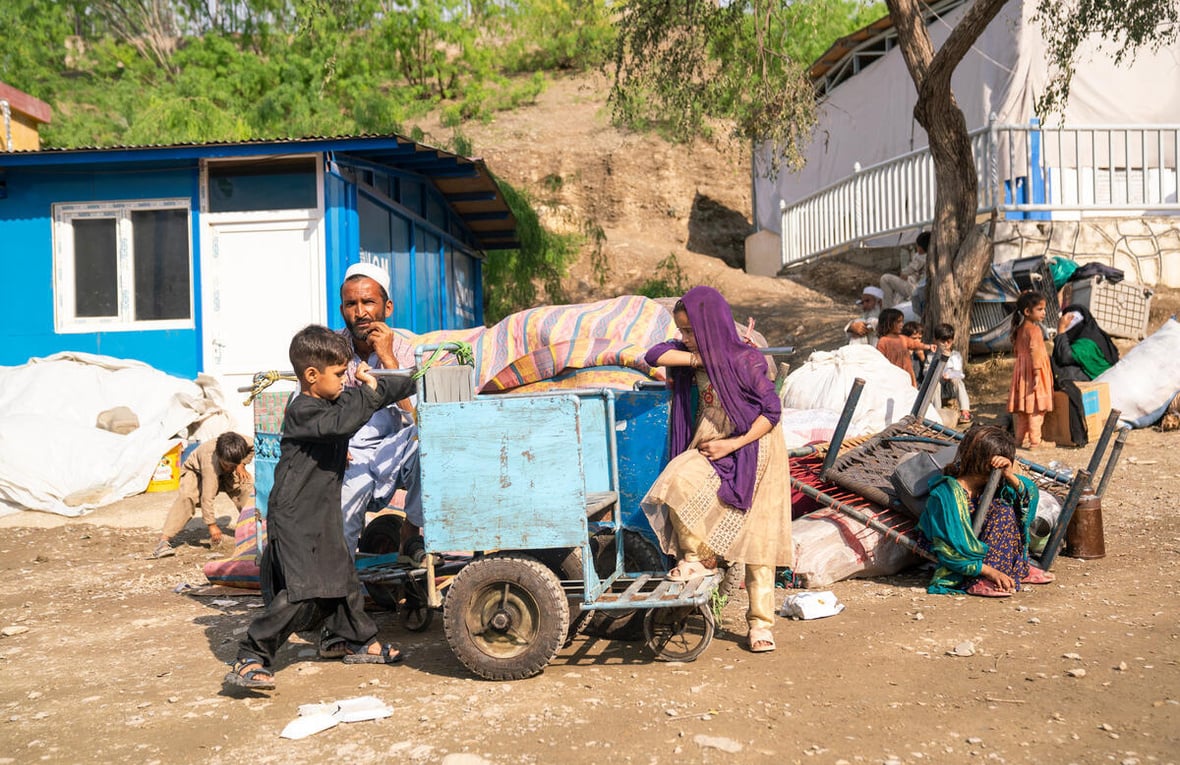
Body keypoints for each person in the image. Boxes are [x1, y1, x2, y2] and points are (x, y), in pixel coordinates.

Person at [224, 325, 414, 691]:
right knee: (306, 589)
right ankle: (252, 652)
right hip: (295, 515)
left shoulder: (331, 400)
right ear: (312, 376)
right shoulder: (305, 410)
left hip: (320, 512)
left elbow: (368, 397)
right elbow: (343, 422)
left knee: (342, 577)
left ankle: (349, 638)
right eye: (340, 374)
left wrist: (410, 380)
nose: (346, 381)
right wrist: (369, 393)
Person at [640, 286, 792, 654]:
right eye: (683, 332)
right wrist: (697, 360)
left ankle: (760, 624)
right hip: (712, 441)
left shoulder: (746, 361)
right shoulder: (698, 357)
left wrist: (732, 444)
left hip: (756, 447)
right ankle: (696, 560)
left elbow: (771, 414)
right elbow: (653, 354)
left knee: (759, 538)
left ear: (710, 325)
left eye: (691, 332)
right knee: (677, 479)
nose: (685, 339)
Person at [337, 262, 423, 559]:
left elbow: (414, 416)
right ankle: (344, 590)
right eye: (351, 304)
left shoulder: (406, 350)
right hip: (349, 453)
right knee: (343, 524)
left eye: (368, 302)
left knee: (429, 444)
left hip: (394, 447)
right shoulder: (331, 349)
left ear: (387, 307)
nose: (360, 312)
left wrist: (387, 359)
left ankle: (410, 535)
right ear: (342, 309)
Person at [917, 424, 1054, 597]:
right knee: (1002, 511)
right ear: (985, 463)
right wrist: (990, 571)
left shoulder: (993, 486)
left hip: (983, 546)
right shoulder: (946, 495)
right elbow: (950, 549)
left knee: (1004, 509)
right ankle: (977, 580)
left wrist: (1009, 475)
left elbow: (1029, 496)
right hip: (958, 551)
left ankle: (1017, 567)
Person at [151, 432, 254, 558]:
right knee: (187, 497)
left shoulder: (243, 443)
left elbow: (254, 447)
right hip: (196, 472)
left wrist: (241, 464)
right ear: (220, 456)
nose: (228, 468)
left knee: (246, 487)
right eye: (226, 465)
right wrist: (212, 525)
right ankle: (163, 542)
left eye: (231, 465)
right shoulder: (209, 463)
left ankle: (257, 529)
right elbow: (207, 497)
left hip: (227, 468)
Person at [1050, 304, 1120, 445]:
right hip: (1089, 374)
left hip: (1097, 378)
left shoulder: (1088, 341)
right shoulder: (1086, 333)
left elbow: (1064, 357)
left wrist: (1061, 330)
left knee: (1064, 373)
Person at [1008, 291, 1055, 449]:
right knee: (1036, 408)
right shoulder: (1034, 330)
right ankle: (1036, 441)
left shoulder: (1020, 329)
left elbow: (1017, 351)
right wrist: (1036, 374)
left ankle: (1019, 439)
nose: (1044, 312)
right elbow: (1035, 352)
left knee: (1024, 410)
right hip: (1034, 371)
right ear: (1028, 312)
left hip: (1022, 372)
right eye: (1040, 309)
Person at [874, 308, 936, 386]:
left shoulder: (902, 338)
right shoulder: (883, 341)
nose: (901, 324)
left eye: (902, 321)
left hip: (908, 372)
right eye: (898, 322)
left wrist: (929, 346)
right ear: (888, 323)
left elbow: (915, 344)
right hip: (893, 375)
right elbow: (879, 359)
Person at [933, 323, 972, 424]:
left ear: (952, 341)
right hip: (937, 389)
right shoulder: (932, 356)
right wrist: (939, 375)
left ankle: (965, 412)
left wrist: (950, 375)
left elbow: (959, 373)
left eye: (948, 341)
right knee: (935, 384)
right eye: (942, 341)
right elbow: (926, 372)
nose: (946, 344)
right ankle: (937, 413)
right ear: (936, 341)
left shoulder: (955, 355)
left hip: (951, 388)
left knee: (957, 380)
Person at [880, 231, 928, 308]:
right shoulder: (933, 255)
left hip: (915, 288)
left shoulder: (921, 257)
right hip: (920, 288)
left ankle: (887, 309)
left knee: (885, 279)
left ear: (921, 247)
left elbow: (905, 273)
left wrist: (907, 276)